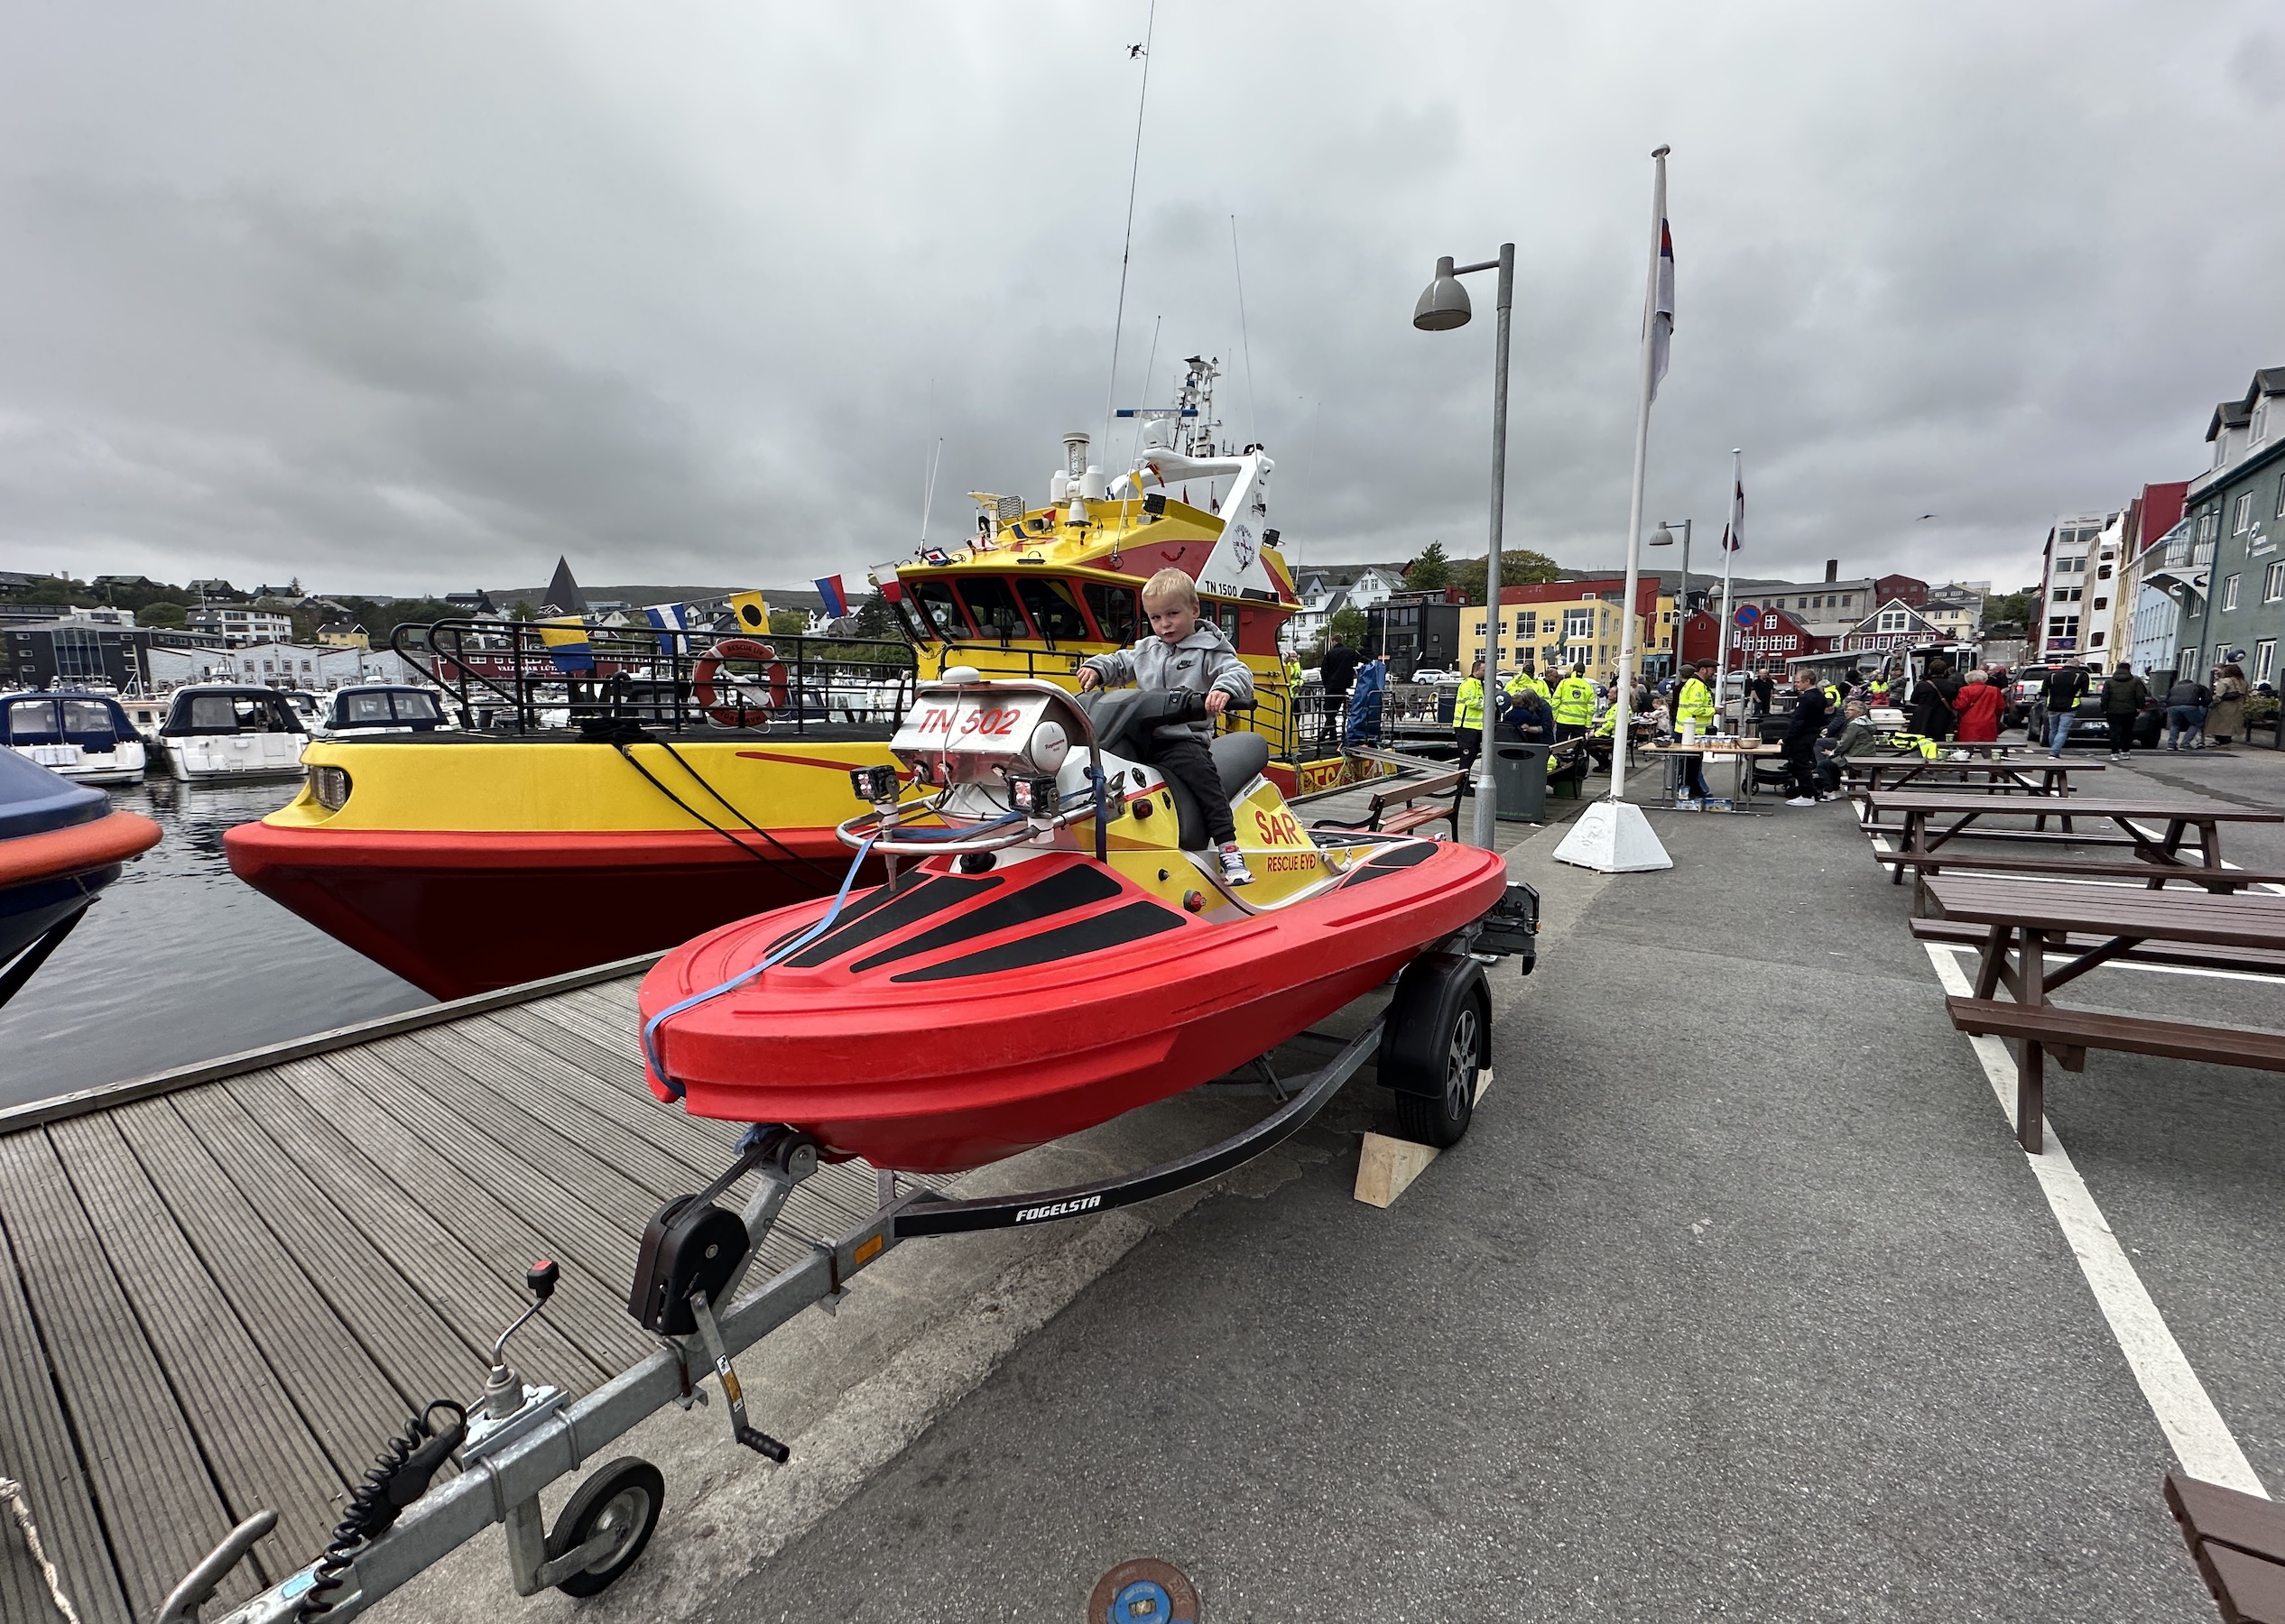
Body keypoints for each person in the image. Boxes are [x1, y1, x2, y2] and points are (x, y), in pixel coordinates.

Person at [1078, 567, 1257, 885]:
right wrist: (1097, 669)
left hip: (1181, 738)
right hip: (1138, 734)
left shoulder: (1209, 650)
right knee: (1097, 766)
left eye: (1173, 614)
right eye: (1156, 617)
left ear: (1194, 610)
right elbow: (1120, 662)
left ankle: (1228, 847)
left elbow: (1238, 672)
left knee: (1203, 780)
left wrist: (1223, 689)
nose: (1164, 624)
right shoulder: (1148, 649)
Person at [1781, 668, 1830, 805]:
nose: (1795, 684)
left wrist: (1787, 738)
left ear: (1807, 681)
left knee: (1800, 766)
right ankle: (1810, 793)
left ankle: (1807, 795)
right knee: (1804, 765)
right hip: (1812, 734)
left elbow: (1798, 720)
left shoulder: (1806, 698)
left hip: (1801, 736)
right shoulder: (1820, 696)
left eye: (1798, 681)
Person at [1670, 659, 1716, 802]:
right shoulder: (1697, 686)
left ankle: (1691, 790)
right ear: (1703, 669)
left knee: (1691, 765)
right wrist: (1714, 710)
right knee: (1690, 765)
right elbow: (1695, 709)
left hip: (1688, 730)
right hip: (1691, 732)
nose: (1714, 672)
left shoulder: (1693, 683)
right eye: (1712, 669)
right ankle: (1689, 791)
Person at [1816, 699, 1879, 795]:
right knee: (1831, 764)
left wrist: (1832, 753)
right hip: (1864, 753)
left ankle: (1830, 790)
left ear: (1859, 712)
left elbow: (1845, 743)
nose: (1846, 712)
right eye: (1846, 709)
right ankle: (1834, 788)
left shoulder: (1855, 725)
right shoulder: (1865, 722)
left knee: (1823, 765)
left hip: (1856, 755)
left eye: (1851, 710)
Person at [2040, 660, 2091, 758]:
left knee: (2053, 729)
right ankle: (2054, 752)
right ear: (2077, 665)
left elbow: (2043, 691)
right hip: (2070, 706)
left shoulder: (2052, 674)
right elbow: (2085, 692)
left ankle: (2053, 749)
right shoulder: (2082, 675)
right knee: (2062, 730)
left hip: (2052, 705)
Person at [2102, 661, 2150, 760]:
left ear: (2117, 668)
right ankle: (2125, 751)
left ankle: (2114, 753)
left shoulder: (2109, 682)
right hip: (2130, 710)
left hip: (2113, 710)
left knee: (2114, 731)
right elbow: (2140, 696)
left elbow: (2105, 696)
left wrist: (2104, 709)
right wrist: (2139, 707)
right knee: (2127, 731)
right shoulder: (2135, 681)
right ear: (2129, 669)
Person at [1951, 669, 2003, 753]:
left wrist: (1952, 702)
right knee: (1987, 748)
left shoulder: (1965, 690)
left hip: (1969, 723)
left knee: (1966, 750)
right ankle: (1989, 760)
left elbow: (1959, 706)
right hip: (1988, 722)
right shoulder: (1994, 690)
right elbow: (2000, 707)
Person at [1452, 658, 1487, 777]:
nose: (1486, 673)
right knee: (1466, 757)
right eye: (1484, 670)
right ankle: (1462, 783)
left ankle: (1464, 781)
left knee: (1472, 755)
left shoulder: (1479, 684)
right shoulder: (1469, 684)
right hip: (1466, 727)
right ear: (1476, 671)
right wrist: (1488, 705)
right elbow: (1471, 702)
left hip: (1475, 726)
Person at [1910, 658, 1956, 742]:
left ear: (1930, 671)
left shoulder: (1922, 685)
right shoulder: (1952, 685)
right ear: (1945, 671)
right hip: (1943, 717)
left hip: (1923, 717)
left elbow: (1913, 700)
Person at [2162, 669, 2210, 752]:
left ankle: (2171, 745)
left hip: (2173, 707)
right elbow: (2207, 698)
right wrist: (2201, 704)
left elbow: (2167, 699)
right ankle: (2185, 744)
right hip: (2190, 706)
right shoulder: (2197, 686)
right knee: (2195, 724)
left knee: (2175, 725)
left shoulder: (2174, 688)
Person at [1346, 652, 1387, 747]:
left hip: (1363, 699)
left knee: (1361, 709)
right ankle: (1371, 736)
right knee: (1370, 709)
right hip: (1372, 703)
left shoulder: (1367, 673)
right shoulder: (1377, 670)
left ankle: (1356, 736)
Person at [1551, 665, 1596, 743]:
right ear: (1583, 673)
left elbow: (1555, 702)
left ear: (1573, 671)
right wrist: (1588, 725)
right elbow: (1591, 709)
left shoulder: (1564, 683)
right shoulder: (1588, 687)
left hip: (1563, 721)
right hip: (1580, 723)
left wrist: (1554, 718)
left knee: (1561, 746)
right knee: (1577, 747)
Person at [2207, 661, 2249, 747]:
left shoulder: (2225, 681)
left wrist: (2213, 702)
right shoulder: (2243, 682)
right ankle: (2226, 742)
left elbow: (2219, 695)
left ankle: (2220, 742)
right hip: (2238, 706)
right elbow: (2245, 695)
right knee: (2230, 726)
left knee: (2220, 725)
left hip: (2224, 706)